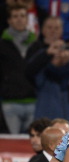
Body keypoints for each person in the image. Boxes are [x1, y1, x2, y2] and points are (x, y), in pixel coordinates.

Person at [0, 4, 38, 134]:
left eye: (22, 16)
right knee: (12, 145)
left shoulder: (37, 44)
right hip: (9, 102)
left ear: (27, 19)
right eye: (15, 16)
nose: (19, 19)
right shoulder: (2, 44)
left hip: (34, 101)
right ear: (9, 20)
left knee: (33, 144)